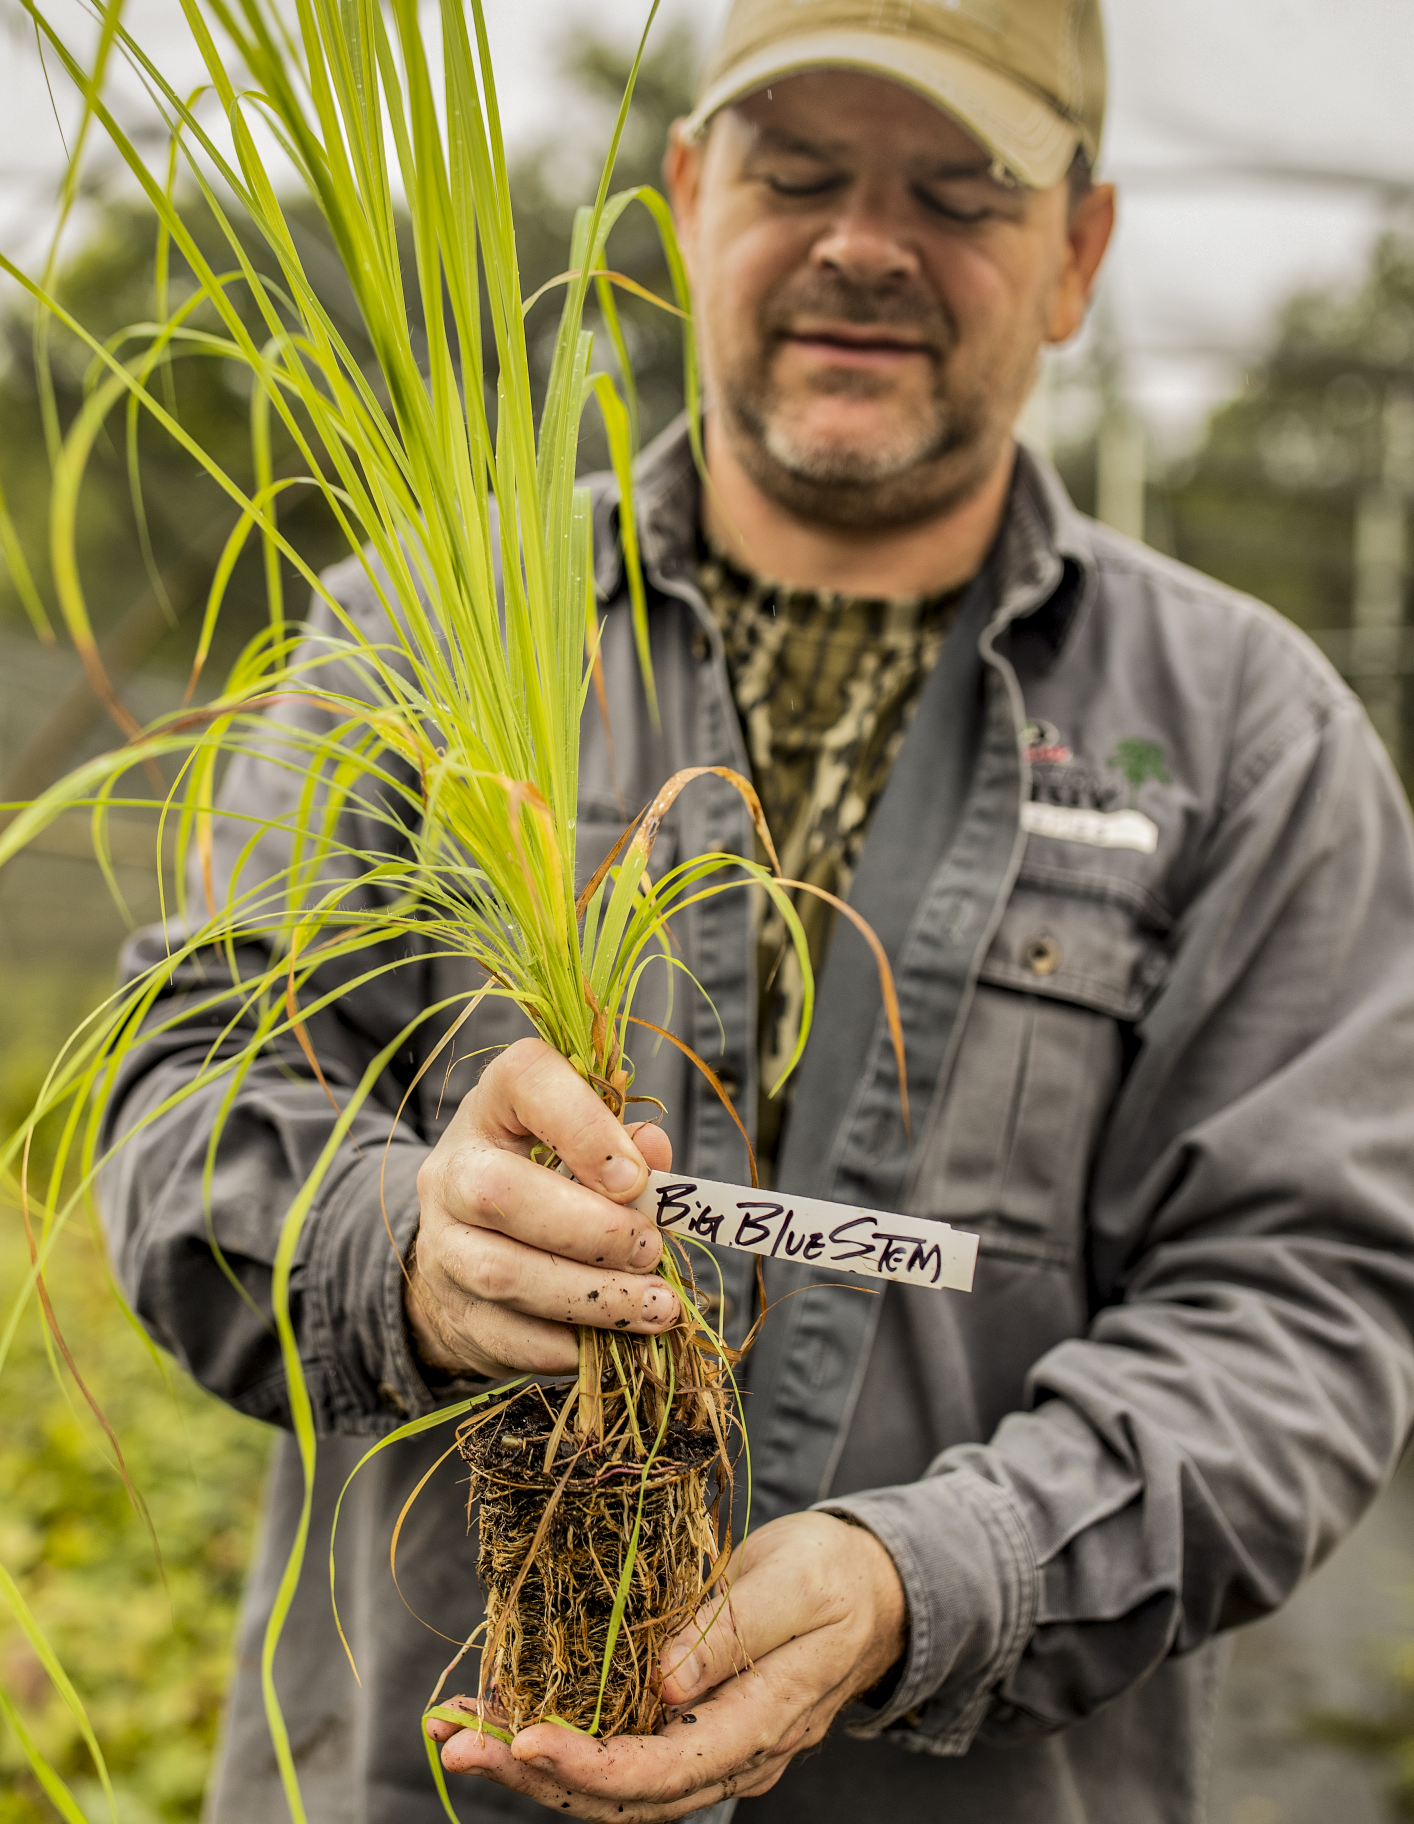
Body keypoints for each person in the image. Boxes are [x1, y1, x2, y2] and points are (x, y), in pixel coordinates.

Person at [97, 0, 1414, 1817]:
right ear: (693, 194)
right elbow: (179, 1093)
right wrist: (401, 1247)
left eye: (961, 191)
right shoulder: (420, 639)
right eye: (799, 171)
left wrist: (927, 1577)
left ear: (1077, 255)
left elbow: (1307, 1307)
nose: (867, 245)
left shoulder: (1250, 741)